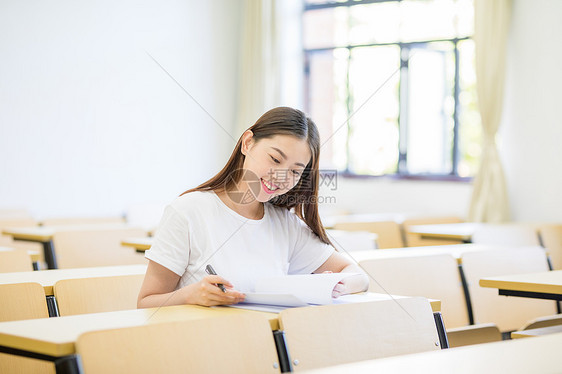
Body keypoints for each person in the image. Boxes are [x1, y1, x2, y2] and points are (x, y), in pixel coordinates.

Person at [137, 107, 368, 308]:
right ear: (248, 143)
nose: (280, 177)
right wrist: (191, 295)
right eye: (275, 160)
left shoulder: (285, 224)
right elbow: (145, 303)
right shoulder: (187, 211)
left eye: (295, 171)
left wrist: (336, 285)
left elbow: (358, 276)